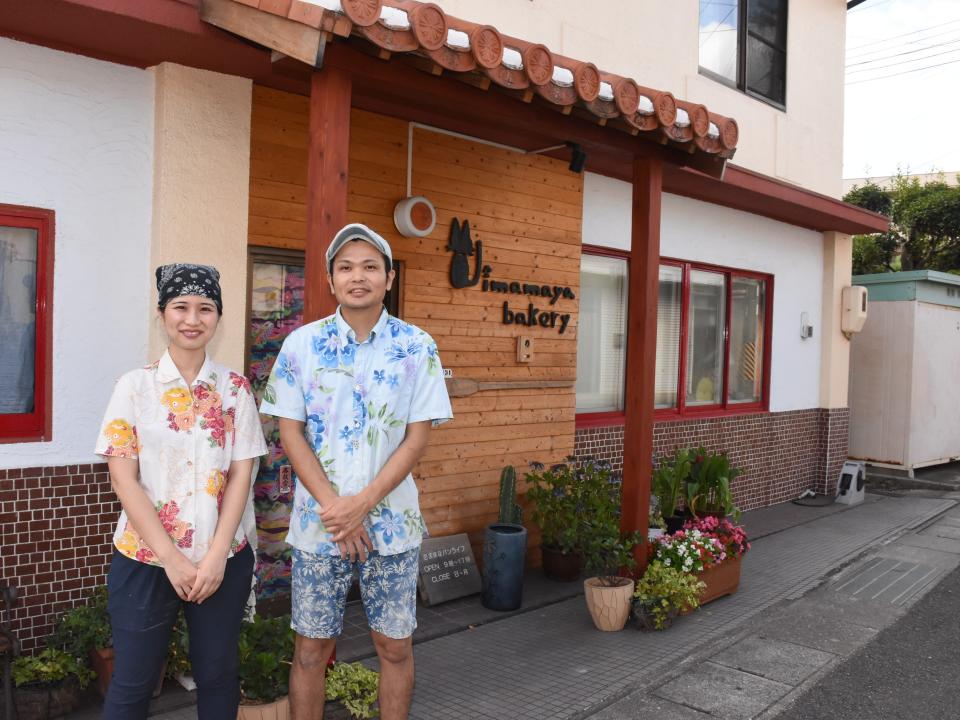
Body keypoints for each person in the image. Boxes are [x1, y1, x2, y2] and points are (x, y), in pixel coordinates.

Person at [260, 223, 452, 720]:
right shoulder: (301, 346)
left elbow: (418, 436)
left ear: (389, 278)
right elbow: (289, 432)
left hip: (390, 527)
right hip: (319, 526)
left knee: (394, 648)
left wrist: (362, 505)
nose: (358, 276)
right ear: (331, 279)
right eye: (346, 267)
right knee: (309, 651)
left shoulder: (417, 347)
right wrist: (337, 510)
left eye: (370, 266)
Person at [95, 264, 267, 720]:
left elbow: (241, 475)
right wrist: (173, 559)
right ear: (162, 314)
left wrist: (213, 559)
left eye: (205, 308)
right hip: (146, 560)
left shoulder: (235, 389)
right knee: (132, 684)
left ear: (218, 316)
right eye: (181, 307)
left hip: (222, 561)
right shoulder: (133, 388)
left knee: (218, 676)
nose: (193, 318)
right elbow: (122, 479)